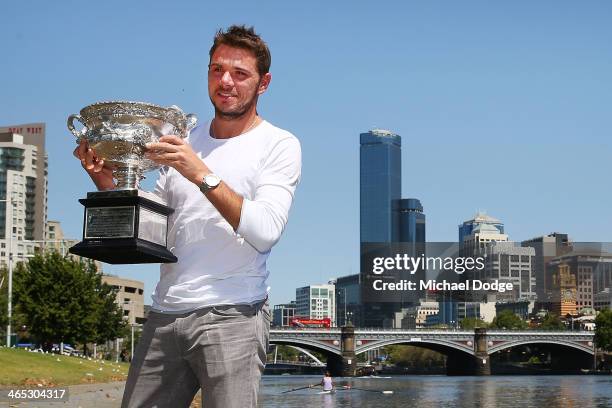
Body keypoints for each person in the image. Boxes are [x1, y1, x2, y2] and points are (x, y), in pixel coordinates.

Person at [73, 25, 301, 408]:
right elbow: (156, 226)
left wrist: (199, 172)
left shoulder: (279, 144)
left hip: (233, 315)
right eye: (217, 70)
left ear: (264, 83)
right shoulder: (183, 140)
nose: (225, 81)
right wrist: (105, 179)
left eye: (240, 73)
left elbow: (265, 231)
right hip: (166, 314)